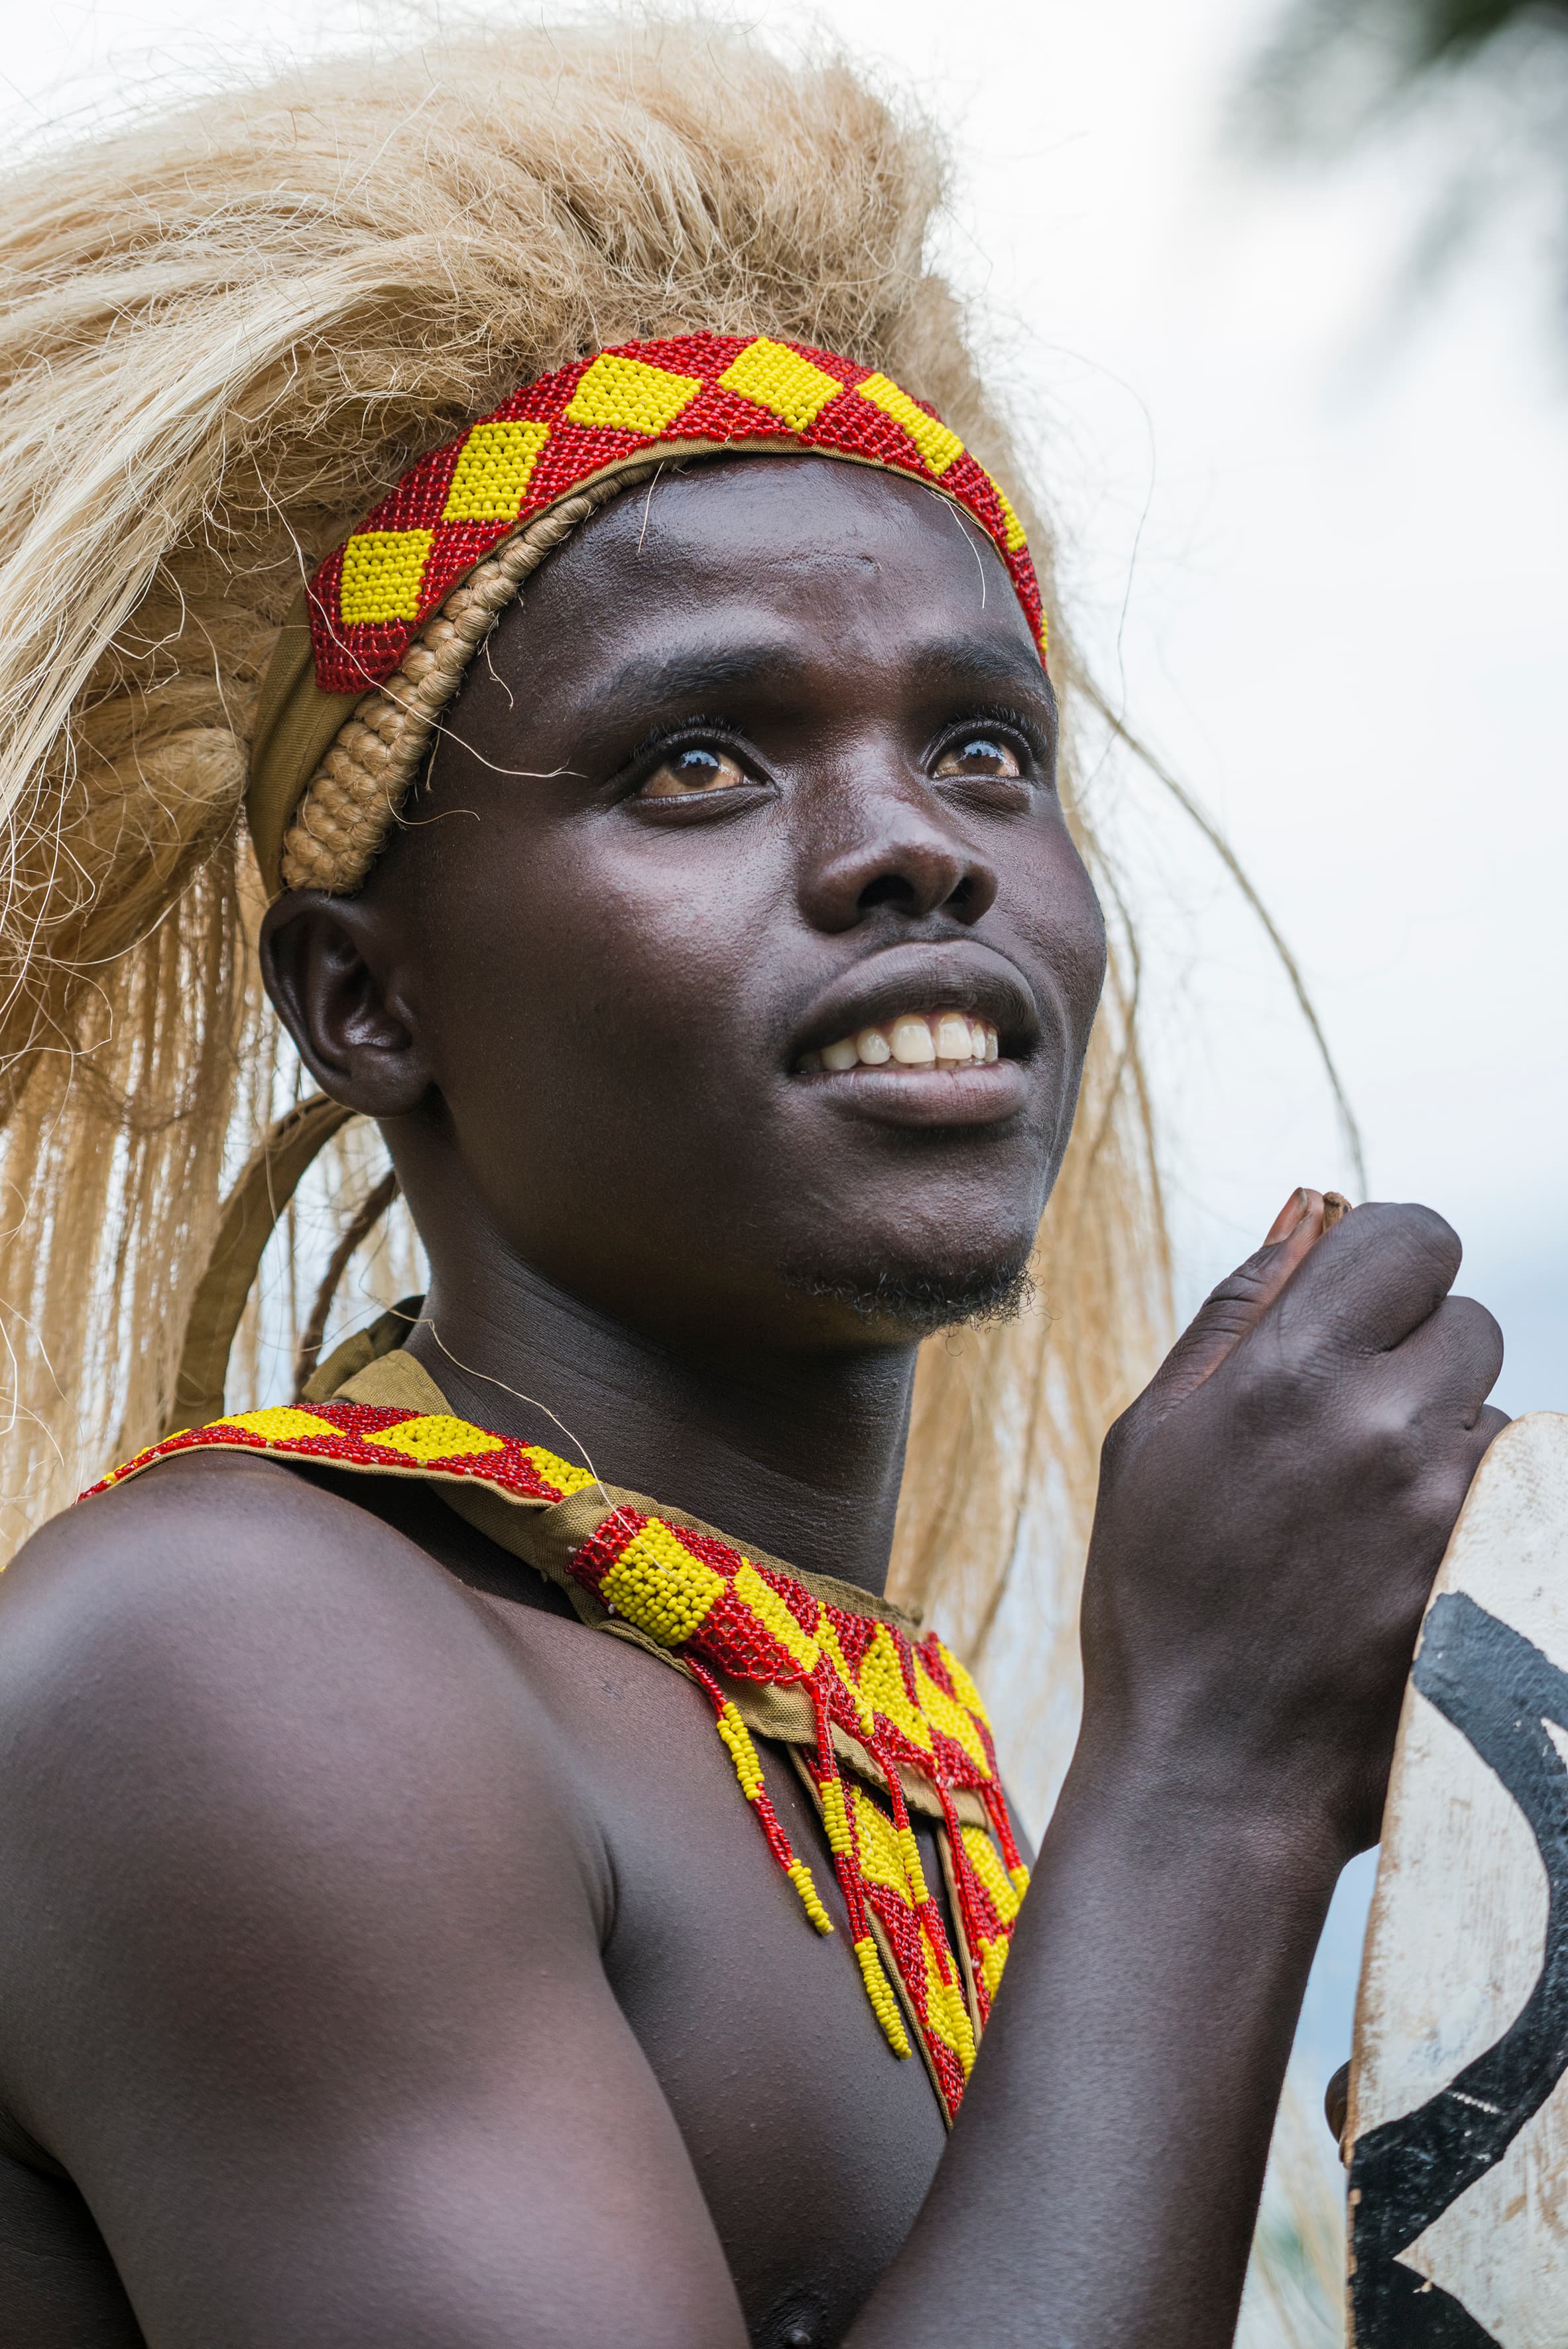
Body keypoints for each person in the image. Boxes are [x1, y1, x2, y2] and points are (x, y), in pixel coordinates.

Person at [0, 24, 1504, 2348]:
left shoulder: (877, 1791)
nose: (918, 842)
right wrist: (1216, 1772)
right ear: (363, 999)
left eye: (986, 747)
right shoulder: (237, 1666)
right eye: (698, 759)